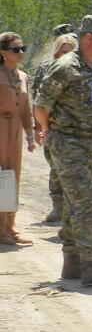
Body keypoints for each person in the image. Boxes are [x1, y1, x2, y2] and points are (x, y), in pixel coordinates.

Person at [34, 15, 92, 285]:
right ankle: (90, 263)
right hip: (68, 144)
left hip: (87, 144)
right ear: (90, 39)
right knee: (84, 203)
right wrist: (54, 131)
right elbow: (40, 106)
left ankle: (72, 263)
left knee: (79, 202)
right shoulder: (65, 67)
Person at [31, 29, 78, 224]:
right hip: (51, 125)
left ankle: (74, 207)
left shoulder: (82, 67)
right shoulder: (46, 67)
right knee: (55, 165)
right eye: (61, 51)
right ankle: (58, 205)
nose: (65, 55)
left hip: (76, 127)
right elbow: (38, 100)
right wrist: (37, 127)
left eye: (69, 51)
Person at [0, 32, 36, 245]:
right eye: (16, 49)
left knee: (13, 176)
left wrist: (30, 134)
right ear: (3, 52)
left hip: (14, 129)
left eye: (23, 48)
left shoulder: (23, 76)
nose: (20, 52)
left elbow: (26, 110)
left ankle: (10, 227)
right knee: (0, 175)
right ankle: (0, 229)